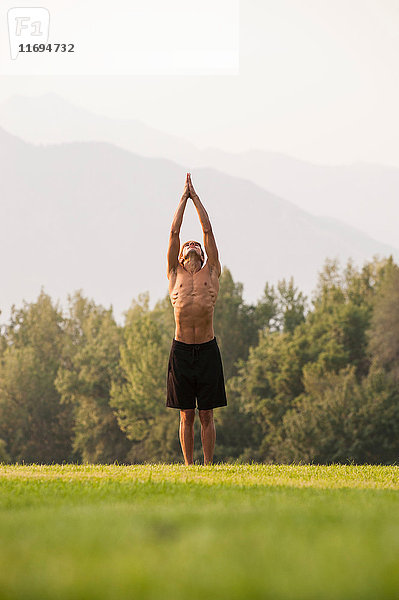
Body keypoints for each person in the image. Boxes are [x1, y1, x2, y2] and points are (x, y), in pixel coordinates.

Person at [166, 172, 227, 465]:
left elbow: (208, 232)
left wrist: (196, 198)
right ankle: (190, 466)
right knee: (186, 413)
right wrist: (182, 199)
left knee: (207, 413)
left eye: (196, 245)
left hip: (206, 348)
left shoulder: (211, 273)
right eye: (186, 246)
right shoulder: (174, 274)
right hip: (181, 349)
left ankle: (208, 465)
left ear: (202, 255)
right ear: (179, 257)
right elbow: (174, 234)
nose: (191, 244)